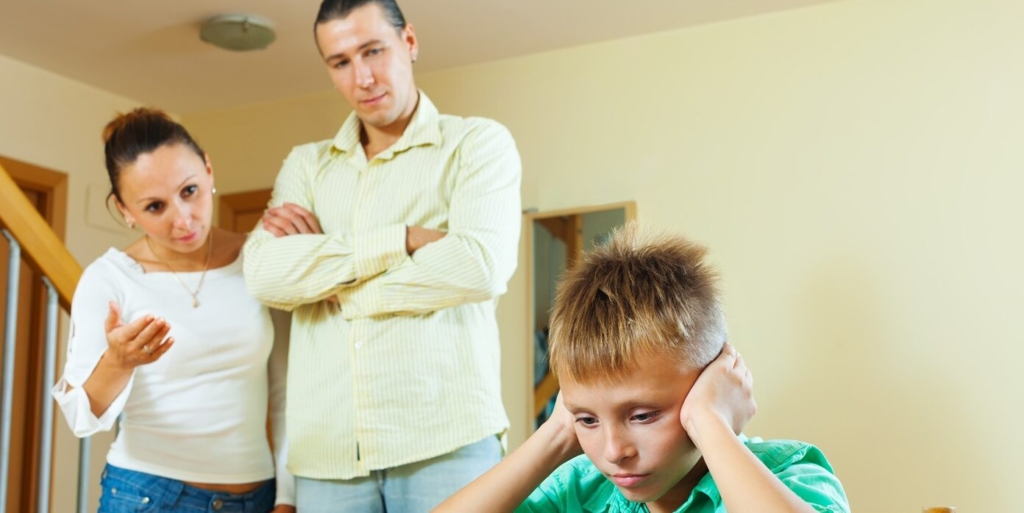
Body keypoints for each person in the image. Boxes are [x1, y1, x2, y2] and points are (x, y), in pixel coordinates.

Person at [240, 0, 522, 510]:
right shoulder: (306, 166)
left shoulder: (477, 144)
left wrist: (330, 283)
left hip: (448, 441)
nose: (362, 77)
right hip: (328, 455)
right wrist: (403, 240)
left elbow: (480, 266)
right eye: (340, 62)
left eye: (374, 51)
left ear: (409, 42)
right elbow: (263, 275)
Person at [435, 224, 851, 512]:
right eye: (588, 419)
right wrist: (558, 433)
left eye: (642, 415)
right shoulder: (580, 491)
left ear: (710, 385)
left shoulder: (790, 475)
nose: (615, 452)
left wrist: (710, 422)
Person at [52, 108, 295, 512]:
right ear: (125, 210)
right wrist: (118, 362)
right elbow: (81, 418)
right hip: (150, 496)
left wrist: (287, 498)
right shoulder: (110, 279)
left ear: (209, 171)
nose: (183, 219)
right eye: (154, 207)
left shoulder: (259, 258)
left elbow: (286, 393)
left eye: (189, 191)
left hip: (259, 496)